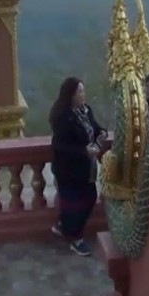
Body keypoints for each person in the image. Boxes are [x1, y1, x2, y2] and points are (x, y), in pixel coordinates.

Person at [49, 76, 106, 256]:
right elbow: (60, 145)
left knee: (89, 196)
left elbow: (94, 127)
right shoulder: (62, 116)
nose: (83, 94)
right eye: (80, 91)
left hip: (86, 168)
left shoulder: (86, 110)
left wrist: (101, 132)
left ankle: (63, 225)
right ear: (71, 94)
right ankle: (75, 237)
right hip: (68, 168)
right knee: (75, 202)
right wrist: (84, 150)